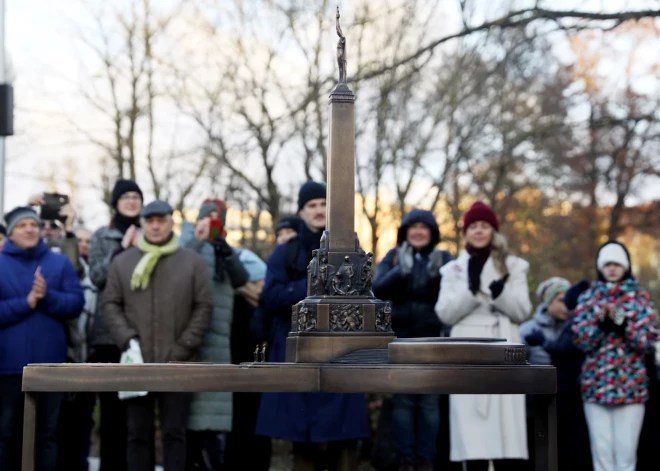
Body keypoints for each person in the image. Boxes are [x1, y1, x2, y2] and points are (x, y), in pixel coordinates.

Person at [256, 181, 370, 471]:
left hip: (343, 353)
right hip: (298, 352)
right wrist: (314, 283)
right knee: (303, 446)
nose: (319, 210)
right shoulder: (287, 252)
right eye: (312, 205)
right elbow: (271, 296)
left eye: (324, 204)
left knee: (345, 444)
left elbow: (367, 294)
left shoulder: (352, 250)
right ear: (301, 211)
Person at [103, 200, 213, 471]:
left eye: (160, 220)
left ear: (170, 222)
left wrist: (185, 345)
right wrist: (128, 339)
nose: (155, 225)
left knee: (175, 433)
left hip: (178, 361)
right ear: (141, 223)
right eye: (149, 220)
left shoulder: (192, 262)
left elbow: (204, 306)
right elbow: (110, 304)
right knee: (137, 435)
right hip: (135, 362)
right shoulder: (123, 262)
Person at [435, 201, 531, 471]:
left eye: (484, 226)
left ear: (494, 230)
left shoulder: (514, 266)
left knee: (506, 433)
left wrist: (500, 294)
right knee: (472, 432)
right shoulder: (452, 269)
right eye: (473, 226)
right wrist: (471, 291)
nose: (479, 231)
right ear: (465, 232)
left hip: (504, 347)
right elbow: (445, 313)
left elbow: (522, 310)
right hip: (467, 350)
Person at [0, 206, 84, 471]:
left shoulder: (58, 263)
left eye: (34, 225)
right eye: (22, 225)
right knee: (6, 435)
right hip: (8, 369)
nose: (30, 229)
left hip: (51, 367)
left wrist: (48, 296)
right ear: (11, 233)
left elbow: (76, 303)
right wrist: (26, 303)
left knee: (47, 435)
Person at [372, 209, 452, 471]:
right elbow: (377, 289)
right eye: (412, 227)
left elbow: (453, 293)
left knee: (430, 401)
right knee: (403, 399)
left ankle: (427, 459)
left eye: (424, 227)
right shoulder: (394, 257)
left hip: (433, 339)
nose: (418, 231)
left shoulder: (444, 258)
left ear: (432, 232)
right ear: (404, 232)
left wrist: (435, 278)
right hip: (399, 338)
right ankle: (405, 459)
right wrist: (401, 273)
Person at [572, 241, 659, 471]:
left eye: (617, 264)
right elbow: (581, 341)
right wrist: (600, 326)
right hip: (596, 386)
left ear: (625, 266)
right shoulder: (589, 298)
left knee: (626, 454)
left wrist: (623, 325)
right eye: (607, 264)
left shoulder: (639, 299)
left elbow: (648, 341)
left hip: (630, 387)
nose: (612, 269)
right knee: (601, 454)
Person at [179, 198, 250, 470]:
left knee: (215, 417)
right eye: (209, 214)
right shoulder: (187, 236)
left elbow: (241, 278)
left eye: (219, 216)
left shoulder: (222, 246)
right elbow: (177, 264)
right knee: (191, 417)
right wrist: (199, 237)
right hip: (192, 335)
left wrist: (224, 249)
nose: (213, 219)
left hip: (220, 338)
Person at [88, 178, 143, 471]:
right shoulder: (102, 235)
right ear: (115, 203)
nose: (132, 201)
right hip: (109, 335)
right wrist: (121, 250)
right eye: (126, 196)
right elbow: (97, 277)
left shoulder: (152, 235)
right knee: (111, 415)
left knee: (137, 415)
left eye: (136, 196)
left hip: (143, 333)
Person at [56, 226, 98, 471]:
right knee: (61, 421)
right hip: (65, 355)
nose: (84, 245)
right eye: (79, 240)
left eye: (88, 241)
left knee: (84, 421)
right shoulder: (64, 270)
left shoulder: (97, 275)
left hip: (89, 357)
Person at [226, 247, 271, 471]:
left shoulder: (263, 309)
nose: (264, 285)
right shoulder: (241, 307)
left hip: (253, 381)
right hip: (241, 379)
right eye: (260, 280)